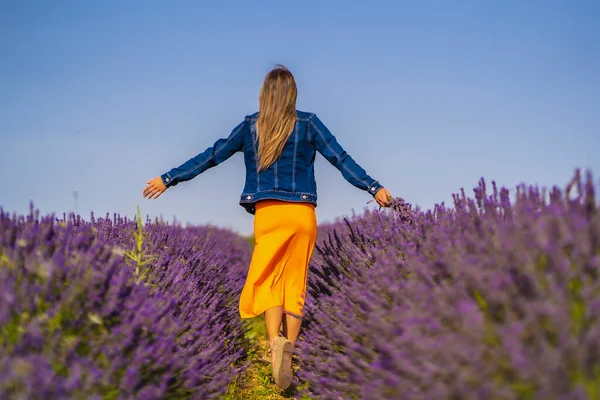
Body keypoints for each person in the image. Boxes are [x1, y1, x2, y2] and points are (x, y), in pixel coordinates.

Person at [142, 65, 392, 390]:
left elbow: (211, 156)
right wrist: (374, 187)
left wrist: (168, 178)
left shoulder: (250, 126)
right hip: (302, 215)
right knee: (295, 283)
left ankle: (275, 343)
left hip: (268, 215)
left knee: (270, 279)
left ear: (264, 93)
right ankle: (291, 349)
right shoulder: (309, 123)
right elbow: (341, 159)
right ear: (293, 94)